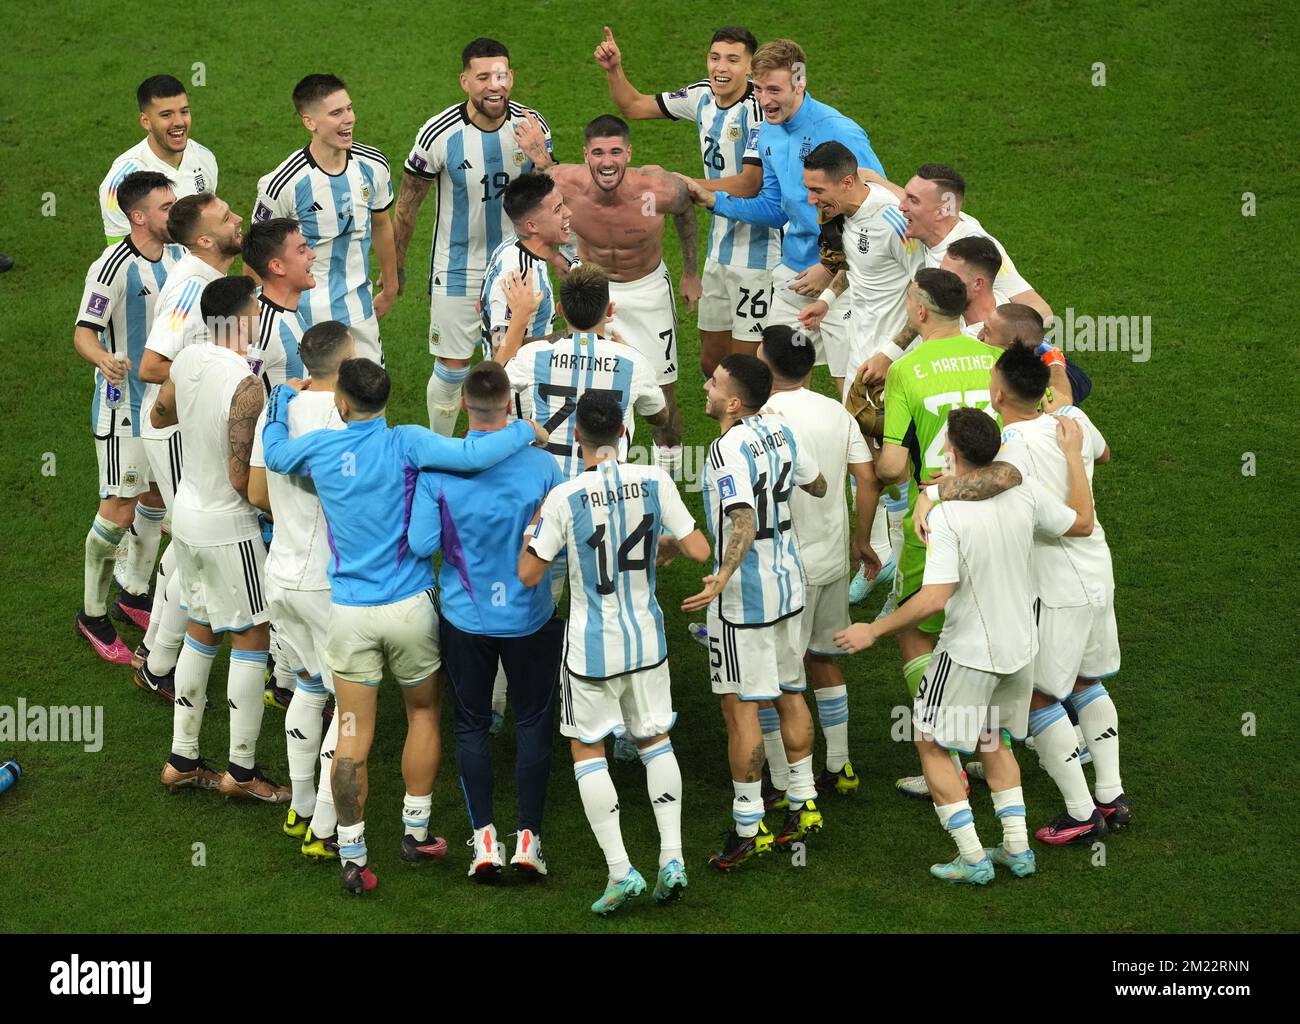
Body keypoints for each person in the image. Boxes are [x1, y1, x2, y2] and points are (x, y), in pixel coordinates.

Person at [262, 359, 545, 895]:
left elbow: (274, 455)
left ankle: (352, 853)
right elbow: (474, 452)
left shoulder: (322, 447)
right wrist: (525, 429)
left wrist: (278, 403)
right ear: (386, 401)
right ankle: (415, 832)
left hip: (349, 613)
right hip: (412, 608)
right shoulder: (408, 443)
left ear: (342, 403)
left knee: (350, 732)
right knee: (422, 713)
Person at [835, 407, 1095, 883]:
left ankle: (972, 856)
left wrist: (875, 629)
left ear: (951, 452)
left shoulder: (950, 516)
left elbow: (935, 597)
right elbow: (1081, 523)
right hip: (1020, 649)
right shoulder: (1026, 493)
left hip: (970, 653)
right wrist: (1075, 457)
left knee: (930, 742)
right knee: (993, 739)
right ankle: (1016, 849)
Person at [917, 343, 1127, 842]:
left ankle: (1081, 814)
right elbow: (1105, 452)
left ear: (998, 392)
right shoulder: (1071, 417)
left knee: (1037, 698)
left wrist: (931, 494)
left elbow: (998, 479)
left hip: (1055, 583)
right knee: (1084, 681)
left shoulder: (1009, 443)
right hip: (1098, 571)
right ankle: (1112, 796)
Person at [521, 391, 711, 913]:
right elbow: (699, 549)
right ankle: (672, 858)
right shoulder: (655, 480)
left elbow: (528, 573)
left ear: (576, 435)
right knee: (654, 740)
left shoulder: (565, 496)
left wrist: (534, 529)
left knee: (588, 749)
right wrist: (662, 544)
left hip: (591, 650)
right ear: (625, 432)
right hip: (647, 640)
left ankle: (621, 871)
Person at [408, 362, 564, 883]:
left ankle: (483, 842)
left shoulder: (436, 472)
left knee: (472, 723)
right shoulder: (543, 468)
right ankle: (529, 841)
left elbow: (423, 545)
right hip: (530, 617)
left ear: (467, 407)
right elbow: (554, 543)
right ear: (508, 407)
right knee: (532, 719)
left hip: (465, 619)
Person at [872, 269, 1021, 799]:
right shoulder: (994, 360)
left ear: (919, 312)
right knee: (978, 625)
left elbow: (891, 468)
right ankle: (991, 744)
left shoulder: (907, 370)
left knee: (917, 631)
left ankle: (947, 750)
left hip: (934, 521)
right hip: (1000, 509)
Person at [684, 355, 828, 869]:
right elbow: (819, 485)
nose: (707, 385)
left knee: (741, 709)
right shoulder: (780, 430)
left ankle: (749, 826)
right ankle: (804, 802)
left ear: (734, 402)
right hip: (789, 585)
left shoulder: (727, 450)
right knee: (791, 691)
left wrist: (722, 577)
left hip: (745, 599)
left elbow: (741, 515)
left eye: (715, 382)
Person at [677, 39, 886, 394]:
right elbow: (775, 209)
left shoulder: (839, 131)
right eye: (758, 88)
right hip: (794, 277)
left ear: (800, 82)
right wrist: (714, 200)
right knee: (774, 384)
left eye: (774, 89)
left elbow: (876, 208)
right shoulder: (768, 130)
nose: (764, 100)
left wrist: (833, 267)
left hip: (846, 281)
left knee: (855, 392)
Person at [150, 276, 283, 803]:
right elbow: (241, 480)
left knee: (201, 629)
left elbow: (161, 414)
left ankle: (182, 759)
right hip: (229, 526)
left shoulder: (185, 360)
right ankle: (243, 773)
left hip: (186, 517)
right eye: (256, 309)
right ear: (241, 317)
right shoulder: (246, 385)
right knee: (252, 637)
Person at [516, 113, 697, 476]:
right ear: (586, 155)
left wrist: (691, 273)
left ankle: (669, 477)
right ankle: (594, 471)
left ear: (629, 153)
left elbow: (686, 213)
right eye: (598, 152)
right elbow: (529, 216)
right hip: (593, 288)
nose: (607, 161)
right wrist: (553, 254)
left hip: (648, 292)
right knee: (589, 380)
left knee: (663, 395)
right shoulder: (561, 182)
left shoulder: (661, 188)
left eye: (615, 151)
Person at [596, 24, 779, 377]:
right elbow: (634, 106)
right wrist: (614, 70)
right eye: (714, 58)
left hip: (757, 258)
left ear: (750, 68)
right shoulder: (702, 96)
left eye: (731, 60)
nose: (720, 68)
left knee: (748, 370)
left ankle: (755, 430)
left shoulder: (758, 110)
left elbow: (749, 183)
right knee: (712, 363)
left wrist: (680, 183)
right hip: (719, 249)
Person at [392, 38, 553, 434]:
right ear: (465, 81)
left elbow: (552, 199)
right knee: (452, 370)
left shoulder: (531, 127)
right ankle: (441, 456)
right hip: (457, 266)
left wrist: (541, 156)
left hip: (517, 268)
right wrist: (395, 265)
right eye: (482, 77)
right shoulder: (438, 134)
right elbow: (407, 206)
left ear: (511, 77)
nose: (493, 85)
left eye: (500, 75)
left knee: (522, 364)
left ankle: (511, 453)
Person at [755, 325, 881, 799]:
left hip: (780, 571)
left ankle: (784, 780)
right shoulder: (837, 411)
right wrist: (863, 539)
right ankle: (840, 765)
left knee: (773, 675)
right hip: (831, 559)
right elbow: (867, 479)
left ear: (765, 364)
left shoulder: (758, 418)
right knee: (824, 657)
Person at [248, 321, 354, 859]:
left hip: (280, 573)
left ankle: (302, 808)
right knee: (349, 703)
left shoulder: (281, 407)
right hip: (323, 582)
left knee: (309, 685)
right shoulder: (344, 417)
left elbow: (257, 491)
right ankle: (328, 830)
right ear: (344, 362)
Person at [796, 139, 917, 605]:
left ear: (848, 182)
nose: (812, 200)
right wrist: (825, 301)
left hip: (897, 363)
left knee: (900, 470)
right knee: (862, 461)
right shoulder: (843, 213)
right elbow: (855, 268)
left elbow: (924, 291)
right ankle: (881, 559)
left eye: (817, 190)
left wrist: (891, 353)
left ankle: (907, 579)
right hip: (860, 351)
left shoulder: (891, 220)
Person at [134, 192, 243, 697]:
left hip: (183, 424)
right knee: (195, 548)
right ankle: (158, 667)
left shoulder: (209, 277)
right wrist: (209, 379)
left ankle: (153, 650)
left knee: (185, 546)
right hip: (177, 427)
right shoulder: (192, 288)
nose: (237, 218)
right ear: (204, 239)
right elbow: (152, 364)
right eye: (226, 218)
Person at [73, 171, 184, 665]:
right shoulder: (112, 266)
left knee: (156, 494)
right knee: (118, 507)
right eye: (165, 207)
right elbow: (84, 333)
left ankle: (133, 592)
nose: (174, 213)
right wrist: (103, 359)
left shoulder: (180, 256)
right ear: (137, 216)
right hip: (124, 406)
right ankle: (91, 615)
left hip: (166, 402)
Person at [854, 162, 1054, 386]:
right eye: (907, 196)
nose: (901, 207)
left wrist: (989, 344)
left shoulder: (974, 250)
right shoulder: (936, 221)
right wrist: (878, 180)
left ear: (941, 211)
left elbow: (1041, 311)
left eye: (913, 200)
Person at [253, 74, 395, 365]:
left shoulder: (373, 164)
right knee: (312, 404)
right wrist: (260, 316)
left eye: (349, 108)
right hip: (303, 315)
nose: (349, 119)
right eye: (336, 113)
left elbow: (381, 224)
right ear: (310, 122)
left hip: (360, 310)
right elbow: (256, 255)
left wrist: (391, 285)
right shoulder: (283, 183)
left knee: (368, 401)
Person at [99, 75, 218, 244]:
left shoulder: (204, 157)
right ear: (145, 121)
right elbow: (122, 252)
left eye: (184, 111)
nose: (179, 122)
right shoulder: (118, 182)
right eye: (166, 115)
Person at [480, 172, 575, 370]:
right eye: (558, 209)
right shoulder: (520, 276)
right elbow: (501, 354)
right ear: (532, 226)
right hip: (522, 390)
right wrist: (573, 335)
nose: (568, 213)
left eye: (563, 204)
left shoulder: (512, 246)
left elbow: (481, 307)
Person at [241, 219, 315, 393]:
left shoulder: (288, 306)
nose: (312, 255)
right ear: (277, 266)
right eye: (302, 250)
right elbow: (241, 398)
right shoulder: (259, 330)